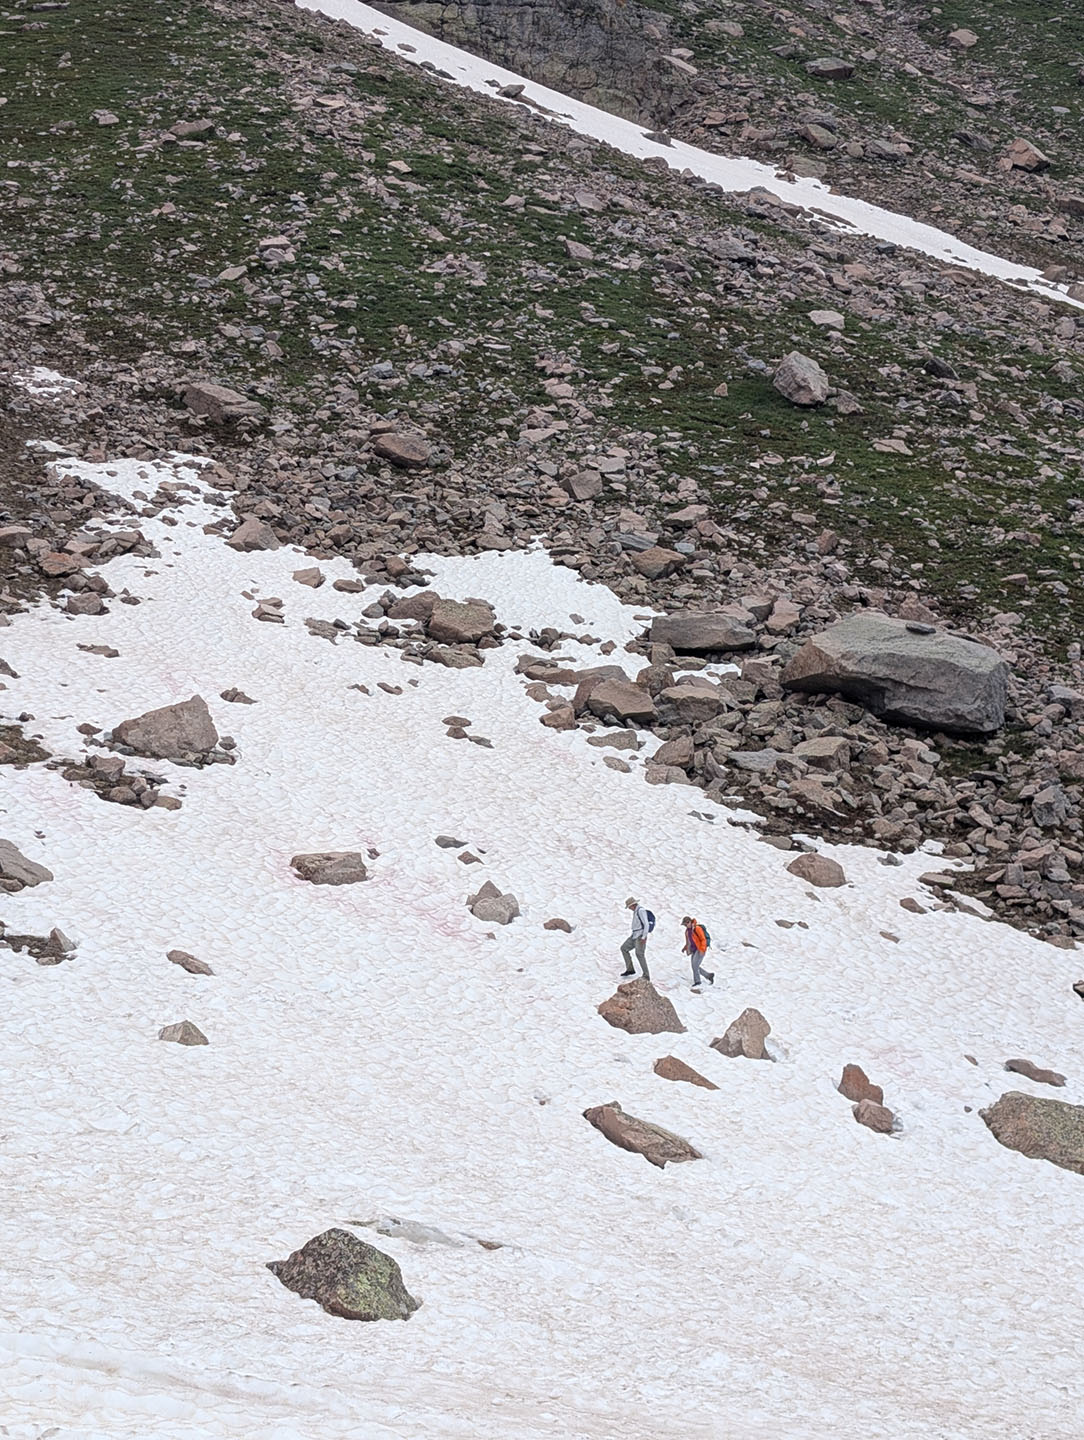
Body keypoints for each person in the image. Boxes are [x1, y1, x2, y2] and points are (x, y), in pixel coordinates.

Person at [619, 896, 651, 980]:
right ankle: (630, 969)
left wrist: (644, 937)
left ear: (632, 905)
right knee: (624, 948)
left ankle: (646, 975)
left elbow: (646, 924)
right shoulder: (637, 911)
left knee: (640, 954)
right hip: (634, 935)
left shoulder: (641, 910)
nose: (629, 909)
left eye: (629, 907)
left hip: (640, 936)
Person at [681, 916, 714, 991]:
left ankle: (698, 982)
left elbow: (703, 939)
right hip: (694, 950)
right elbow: (688, 942)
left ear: (690, 922)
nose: (686, 926)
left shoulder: (697, 928)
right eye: (684, 925)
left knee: (695, 966)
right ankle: (709, 975)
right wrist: (685, 948)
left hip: (700, 949)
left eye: (686, 924)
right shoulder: (687, 932)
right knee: (694, 966)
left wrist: (702, 949)